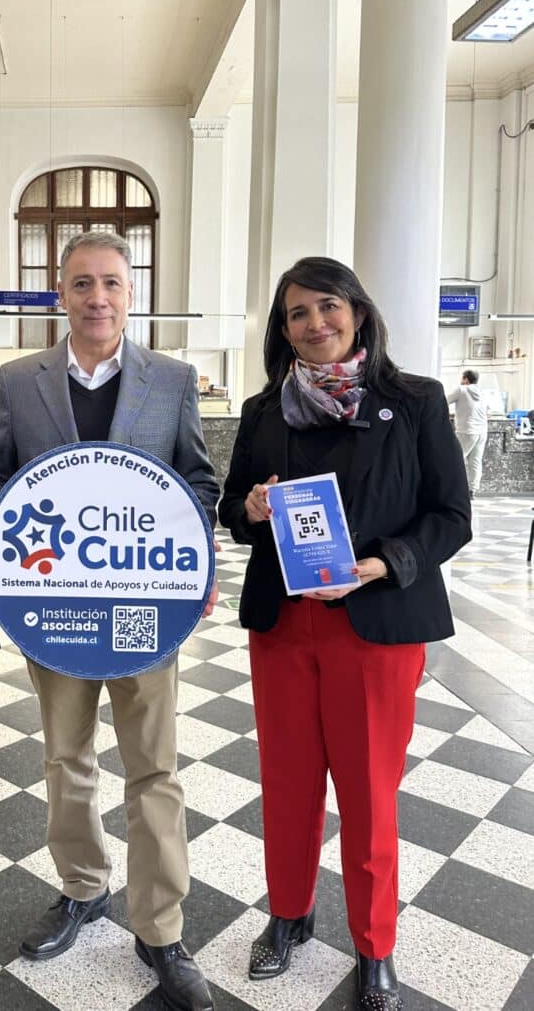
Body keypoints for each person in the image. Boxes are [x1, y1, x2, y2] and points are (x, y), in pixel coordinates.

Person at [218, 258, 471, 1011]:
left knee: (368, 793)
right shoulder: (265, 410)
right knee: (288, 784)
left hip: (375, 627)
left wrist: (384, 563)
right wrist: (249, 509)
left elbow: (452, 515)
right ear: (283, 328)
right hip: (284, 626)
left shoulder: (414, 401)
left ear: (357, 312)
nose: (314, 323)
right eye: (297, 313)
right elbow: (232, 507)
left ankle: (374, 943)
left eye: (328, 305)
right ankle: (289, 915)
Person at [0, 231, 219, 1011]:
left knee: (154, 767)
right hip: (56, 608)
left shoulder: (172, 378)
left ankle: (161, 926)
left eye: (111, 281)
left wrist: (195, 557)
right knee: (66, 757)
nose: (97, 297)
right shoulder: (21, 379)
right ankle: (84, 886)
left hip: (145, 606)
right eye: (81, 283)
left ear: (130, 291)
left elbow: (197, 480)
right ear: (61, 292)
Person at [447, 369, 489, 497]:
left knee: (455, 460)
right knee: (475, 461)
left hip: (467, 430)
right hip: (482, 431)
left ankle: (452, 490)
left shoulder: (461, 389)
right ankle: (472, 490)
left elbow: (443, 401)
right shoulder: (482, 392)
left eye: (462, 378)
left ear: (466, 379)